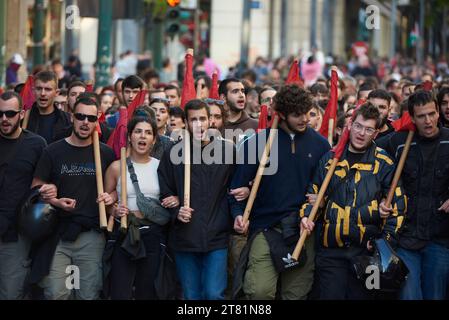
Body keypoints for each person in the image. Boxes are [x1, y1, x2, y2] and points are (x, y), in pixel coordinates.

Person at [230, 84, 330, 300]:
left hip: (304, 231)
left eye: (307, 113)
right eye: (297, 115)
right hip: (265, 228)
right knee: (259, 292)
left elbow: (327, 189)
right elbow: (236, 190)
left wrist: (322, 202)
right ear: (282, 114)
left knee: (295, 295)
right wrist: (238, 214)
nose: (304, 119)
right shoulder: (257, 143)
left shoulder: (321, 145)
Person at [300, 102, 406, 300]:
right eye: (358, 126)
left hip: (368, 255)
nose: (361, 133)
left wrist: (383, 244)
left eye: (368, 129)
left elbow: (398, 210)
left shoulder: (385, 163)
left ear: (375, 134)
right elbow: (311, 196)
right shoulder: (330, 159)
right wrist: (307, 216)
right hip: (331, 254)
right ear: (350, 126)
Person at [30, 97, 115, 300]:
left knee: (88, 295)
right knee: (57, 294)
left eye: (91, 118)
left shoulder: (106, 153)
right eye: (80, 116)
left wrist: (110, 197)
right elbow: (36, 186)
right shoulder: (52, 151)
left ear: (97, 120)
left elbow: (115, 191)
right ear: (72, 116)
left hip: (92, 236)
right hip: (58, 235)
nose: (85, 122)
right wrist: (53, 198)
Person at [158, 99, 236, 300]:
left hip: (216, 234)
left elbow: (237, 185)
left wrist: (245, 188)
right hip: (184, 236)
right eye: (193, 120)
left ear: (210, 120)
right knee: (191, 296)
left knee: (213, 294)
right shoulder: (173, 153)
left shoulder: (228, 151)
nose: (199, 124)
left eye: (202, 118)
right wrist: (176, 210)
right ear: (185, 121)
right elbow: (164, 191)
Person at [381, 90, 449, 300]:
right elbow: (373, 170)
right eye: (421, 116)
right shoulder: (398, 142)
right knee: (409, 296)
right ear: (412, 117)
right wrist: (382, 200)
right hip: (405, 238)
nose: (428, 121)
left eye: (431, 114)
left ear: (438, 112)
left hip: (440, 238)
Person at [101, 115, 174, 299]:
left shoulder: (161, 167)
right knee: (120, 291)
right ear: (130, 137)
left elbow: (170, 196)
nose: (143, 136)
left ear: (154, 140)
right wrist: (114, 210)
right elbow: (106, 203)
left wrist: (175, 200)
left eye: (148, 133)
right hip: (125, 233)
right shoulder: (116, 167)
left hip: (152, 234)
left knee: (147, 291)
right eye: (138, 131)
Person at [0, 91, 49, 299]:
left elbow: (46, 184)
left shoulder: (36, 144)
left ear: (21, 114)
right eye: (0, 113)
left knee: (11, 293)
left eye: (10, 113)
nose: (4, 119)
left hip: (15, 235)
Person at [27, 71, 72, 144]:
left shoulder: (67, 120)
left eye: (48, 89)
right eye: (39, 89)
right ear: (33, 91)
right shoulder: (24, 119)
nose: (43, 93)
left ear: (56, 93)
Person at [219, 78, 258, 144]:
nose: (241, 95)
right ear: (223, 97)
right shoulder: (216, 124)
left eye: (243, 91)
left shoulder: (256, 125)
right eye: (235, 91)